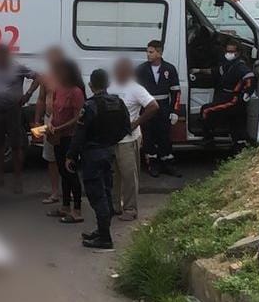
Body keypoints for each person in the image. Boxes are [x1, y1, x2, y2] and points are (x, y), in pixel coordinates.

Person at [66, 68, 132, 249]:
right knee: (107, 190)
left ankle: (105, 238)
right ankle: (102, 231)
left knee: (97, 196)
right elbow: (127, 127)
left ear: (90, 85)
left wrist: (71, 155)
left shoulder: (90, 106)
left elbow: (80, 133)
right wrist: (111, 141)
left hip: (92, 155)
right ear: (108, 84)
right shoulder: (118, 102)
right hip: (109, 151)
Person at [0, 43, 40, 193]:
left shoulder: (18, 68)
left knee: (16, 146)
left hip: (12, 111)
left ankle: (17, 180)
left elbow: (38, 77)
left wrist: (27, 95)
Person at [108, 57, 159, 221]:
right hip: (111, 139)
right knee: (113, 175)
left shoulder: (136, 89)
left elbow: (153, 106)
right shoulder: (111, 87)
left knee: (129, 176)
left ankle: (130, 209)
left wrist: (136, 123)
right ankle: (115, 206)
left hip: (128, 141)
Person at [45, 59, 86, 224]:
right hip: (57, 136)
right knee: (62, 170)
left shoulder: (76, 92)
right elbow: (54, 110)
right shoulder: (58, 89)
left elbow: (78, 117)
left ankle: (77, 209)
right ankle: (65, 206)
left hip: (70, 137)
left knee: (71, 172)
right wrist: (50, 123)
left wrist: (60, 127)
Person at [199, 36, 256, 153]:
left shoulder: (240, 66)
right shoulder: (226, 64)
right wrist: (198, 70)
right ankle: (236, 145)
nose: (229, 54)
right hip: (225, 95)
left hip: (233, 98)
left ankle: (208, 138)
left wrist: (247, 93)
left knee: (206, 110)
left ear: (238, 53)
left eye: (232, 52)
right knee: (235, 125)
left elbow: (250, 77)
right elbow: (215, 71)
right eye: (227, 51)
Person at [136, 39, 182, 178]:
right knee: (148, 136)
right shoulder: (141, 69)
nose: (148, 54)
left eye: (151, 52)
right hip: (148, 107)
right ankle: (153, 164)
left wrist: (174, 111)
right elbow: (136, 91)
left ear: (159, 53)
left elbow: (176, 92)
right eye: (147, 52)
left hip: (163, 107)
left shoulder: (170, 68)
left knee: (165, 136)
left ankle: (168, 164)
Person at [35, 46, 65, 205]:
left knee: (66, 156)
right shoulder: (46, 77)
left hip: (65, 122)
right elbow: (41, 99)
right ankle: (55, 192)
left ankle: (69, 192)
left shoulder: (70, 78)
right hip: (48, 120)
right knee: (50, 157)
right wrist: (37, 120)